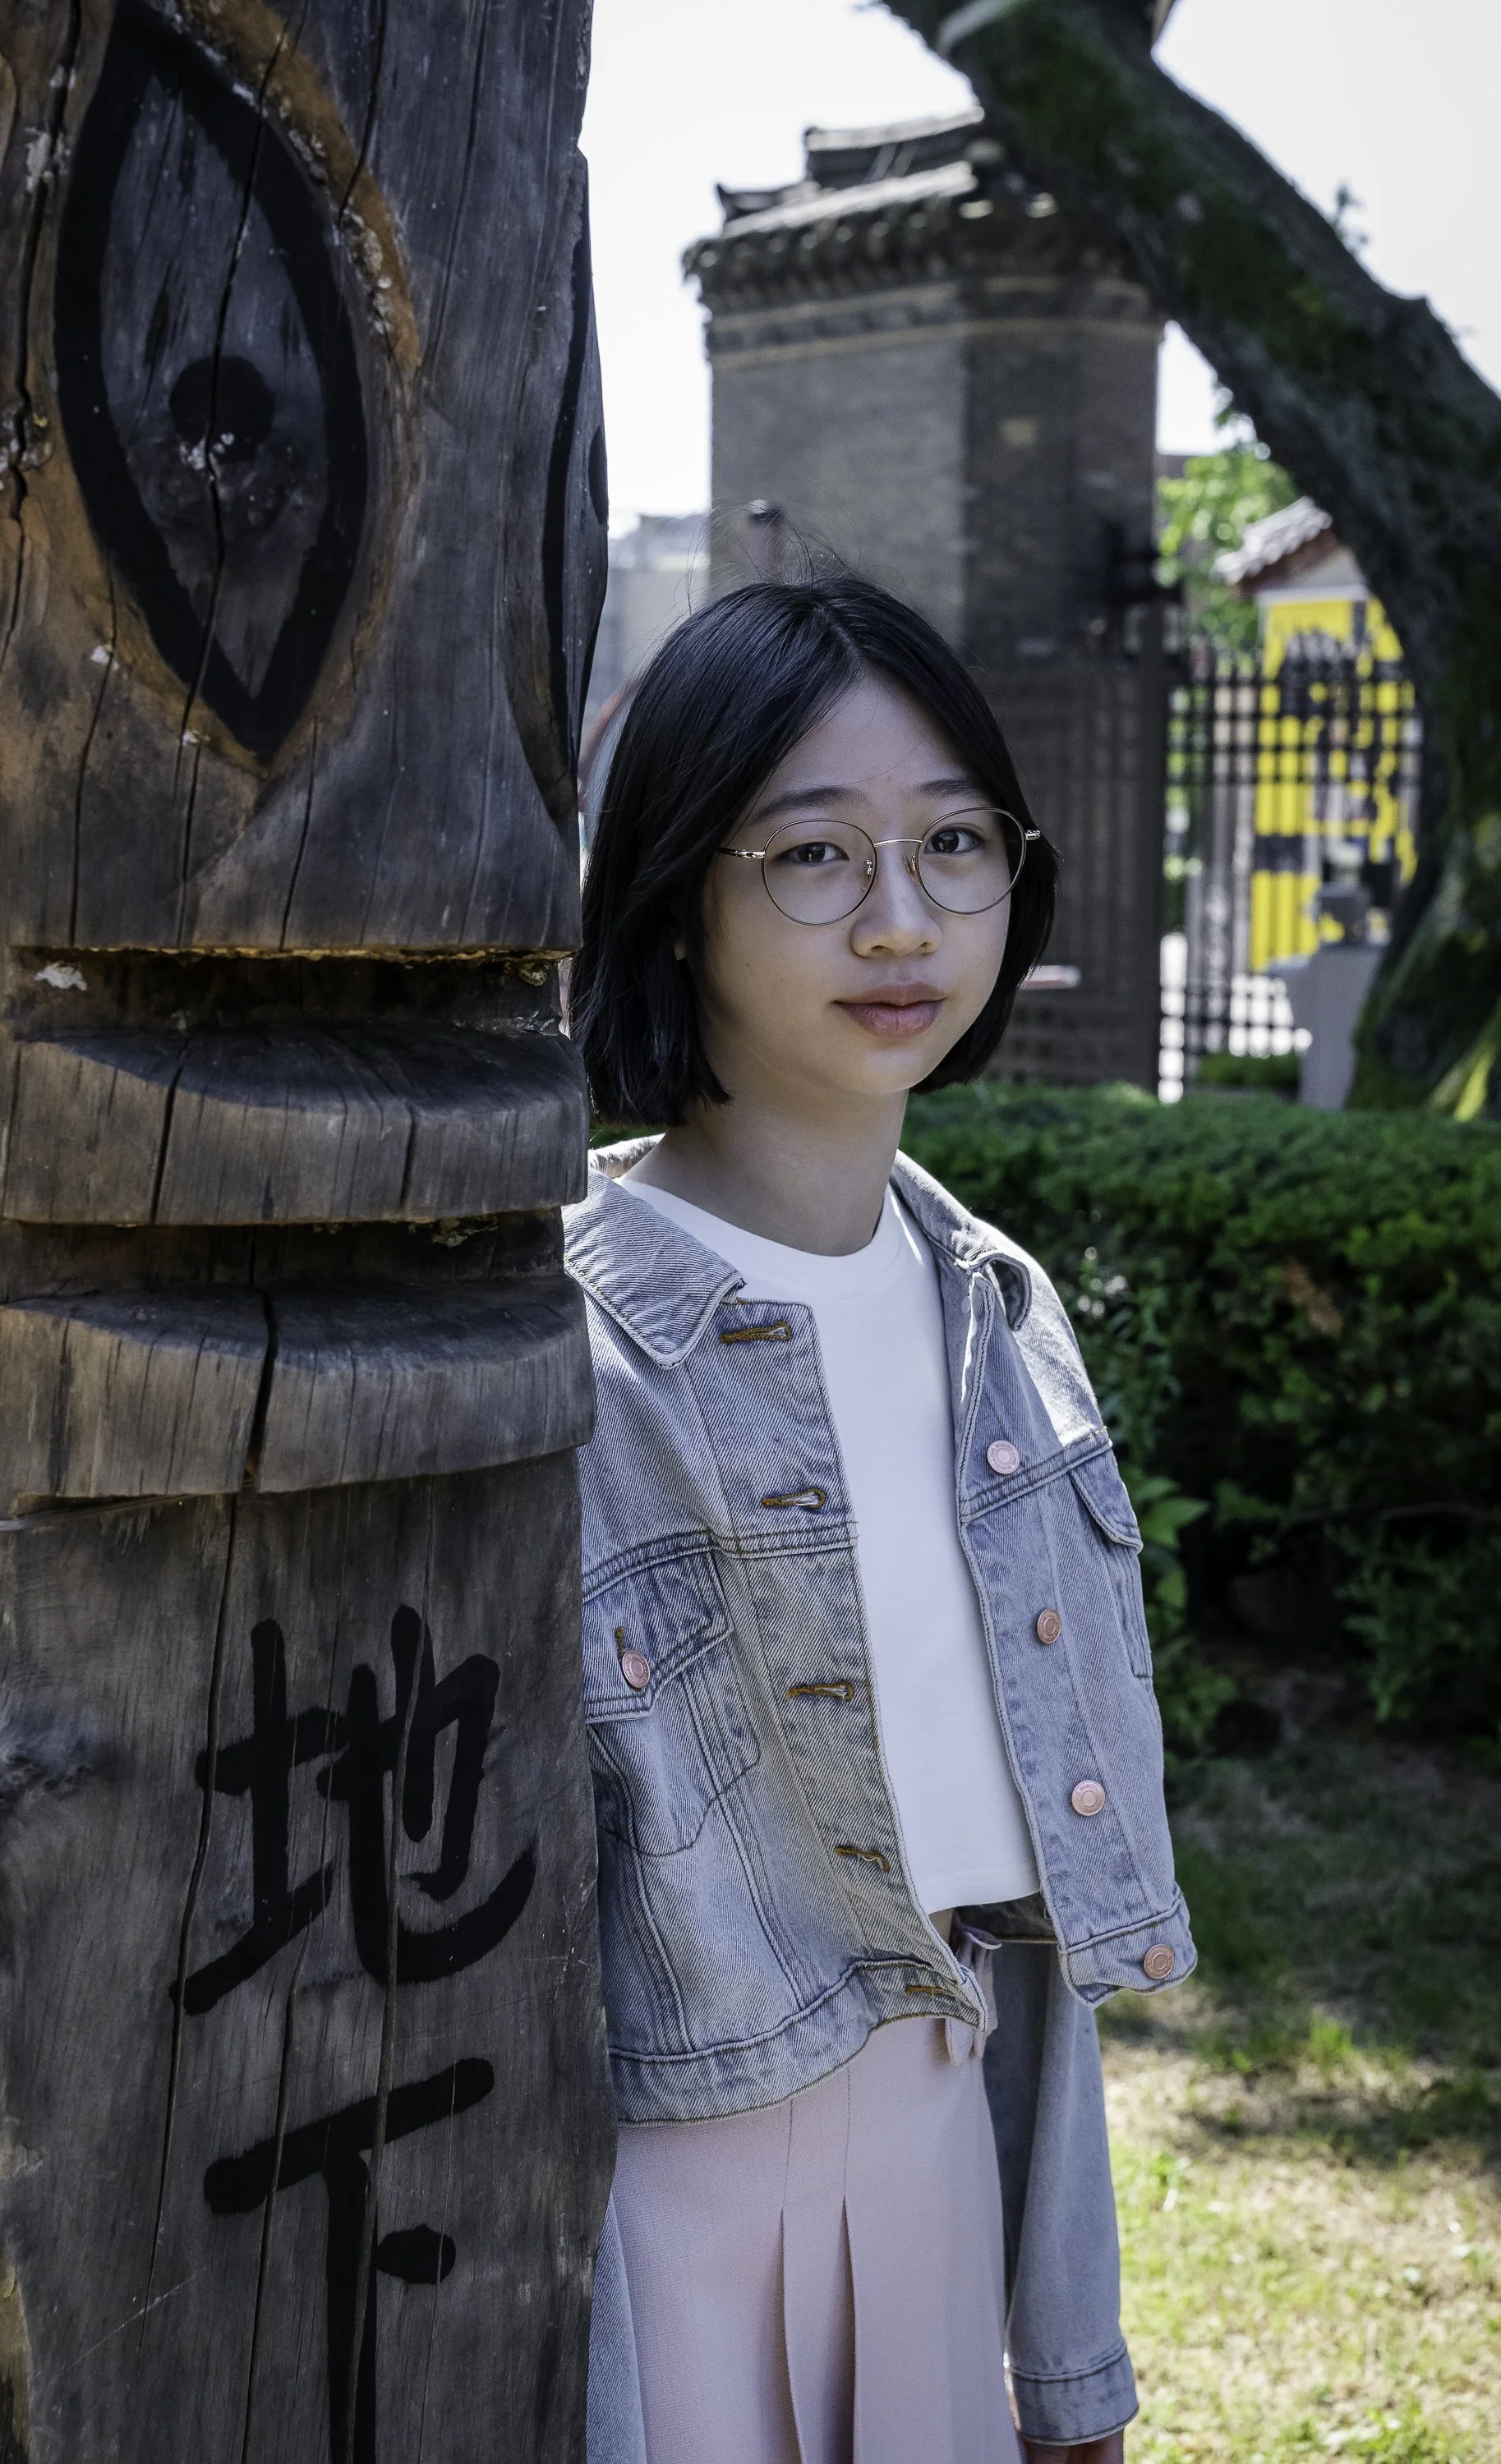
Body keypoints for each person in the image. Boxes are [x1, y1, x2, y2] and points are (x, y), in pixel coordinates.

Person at [566, 576, 1193, 2464]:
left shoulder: (1000, 1317)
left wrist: (1064, 2350)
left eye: (952, 845)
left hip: (934, 2170)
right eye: (815, 855)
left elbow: (1015, 1926)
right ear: (682, 890)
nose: (904, 918)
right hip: (645, 2212)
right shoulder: (560, 1343)